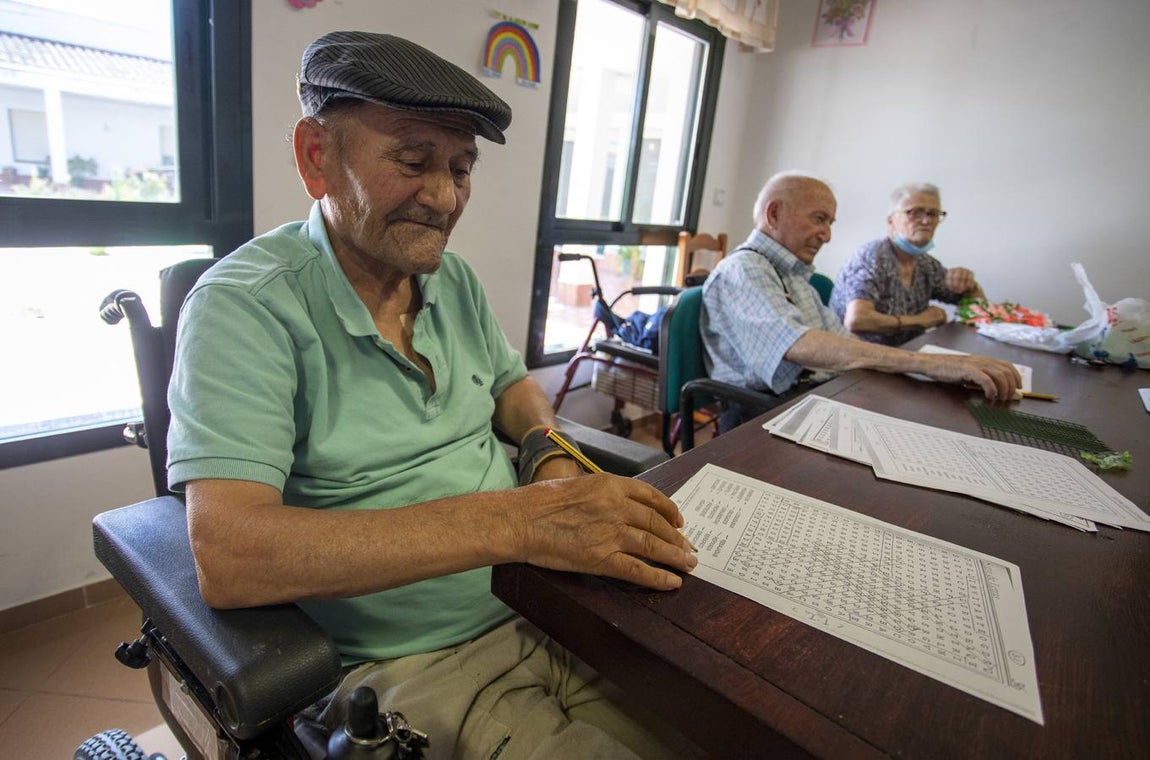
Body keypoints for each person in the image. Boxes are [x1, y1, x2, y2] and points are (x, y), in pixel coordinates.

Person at [167, 31, 698, 760]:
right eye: (413, 162)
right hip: (409, 666)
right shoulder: (246, 308)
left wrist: (547, 450)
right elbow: (230, 556)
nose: (445, 198)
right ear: (317, 157)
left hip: (548, 607)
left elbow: (512, 388)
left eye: (460, 168)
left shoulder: (453, 280)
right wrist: (521, 523)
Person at [701, 171, 1020, 432]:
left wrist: (932, 367)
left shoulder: (795, 276)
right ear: (774, 214)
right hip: (759, 414)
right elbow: (799, 344)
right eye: (819, 219)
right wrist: (930, 364)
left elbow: (843, 340)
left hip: (809, 397)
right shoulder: (743, 269)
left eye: (830, 223)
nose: (826, 235)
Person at [830, 182, 984, 345]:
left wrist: (970, 285)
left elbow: (974, 304)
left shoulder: (926, 264)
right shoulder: (872, 257)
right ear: (891, 221)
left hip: (908, 354)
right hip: (860, 359)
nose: (926, 221)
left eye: (933, 214)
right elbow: (857, 320)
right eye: (914, 212)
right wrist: (921, 320)